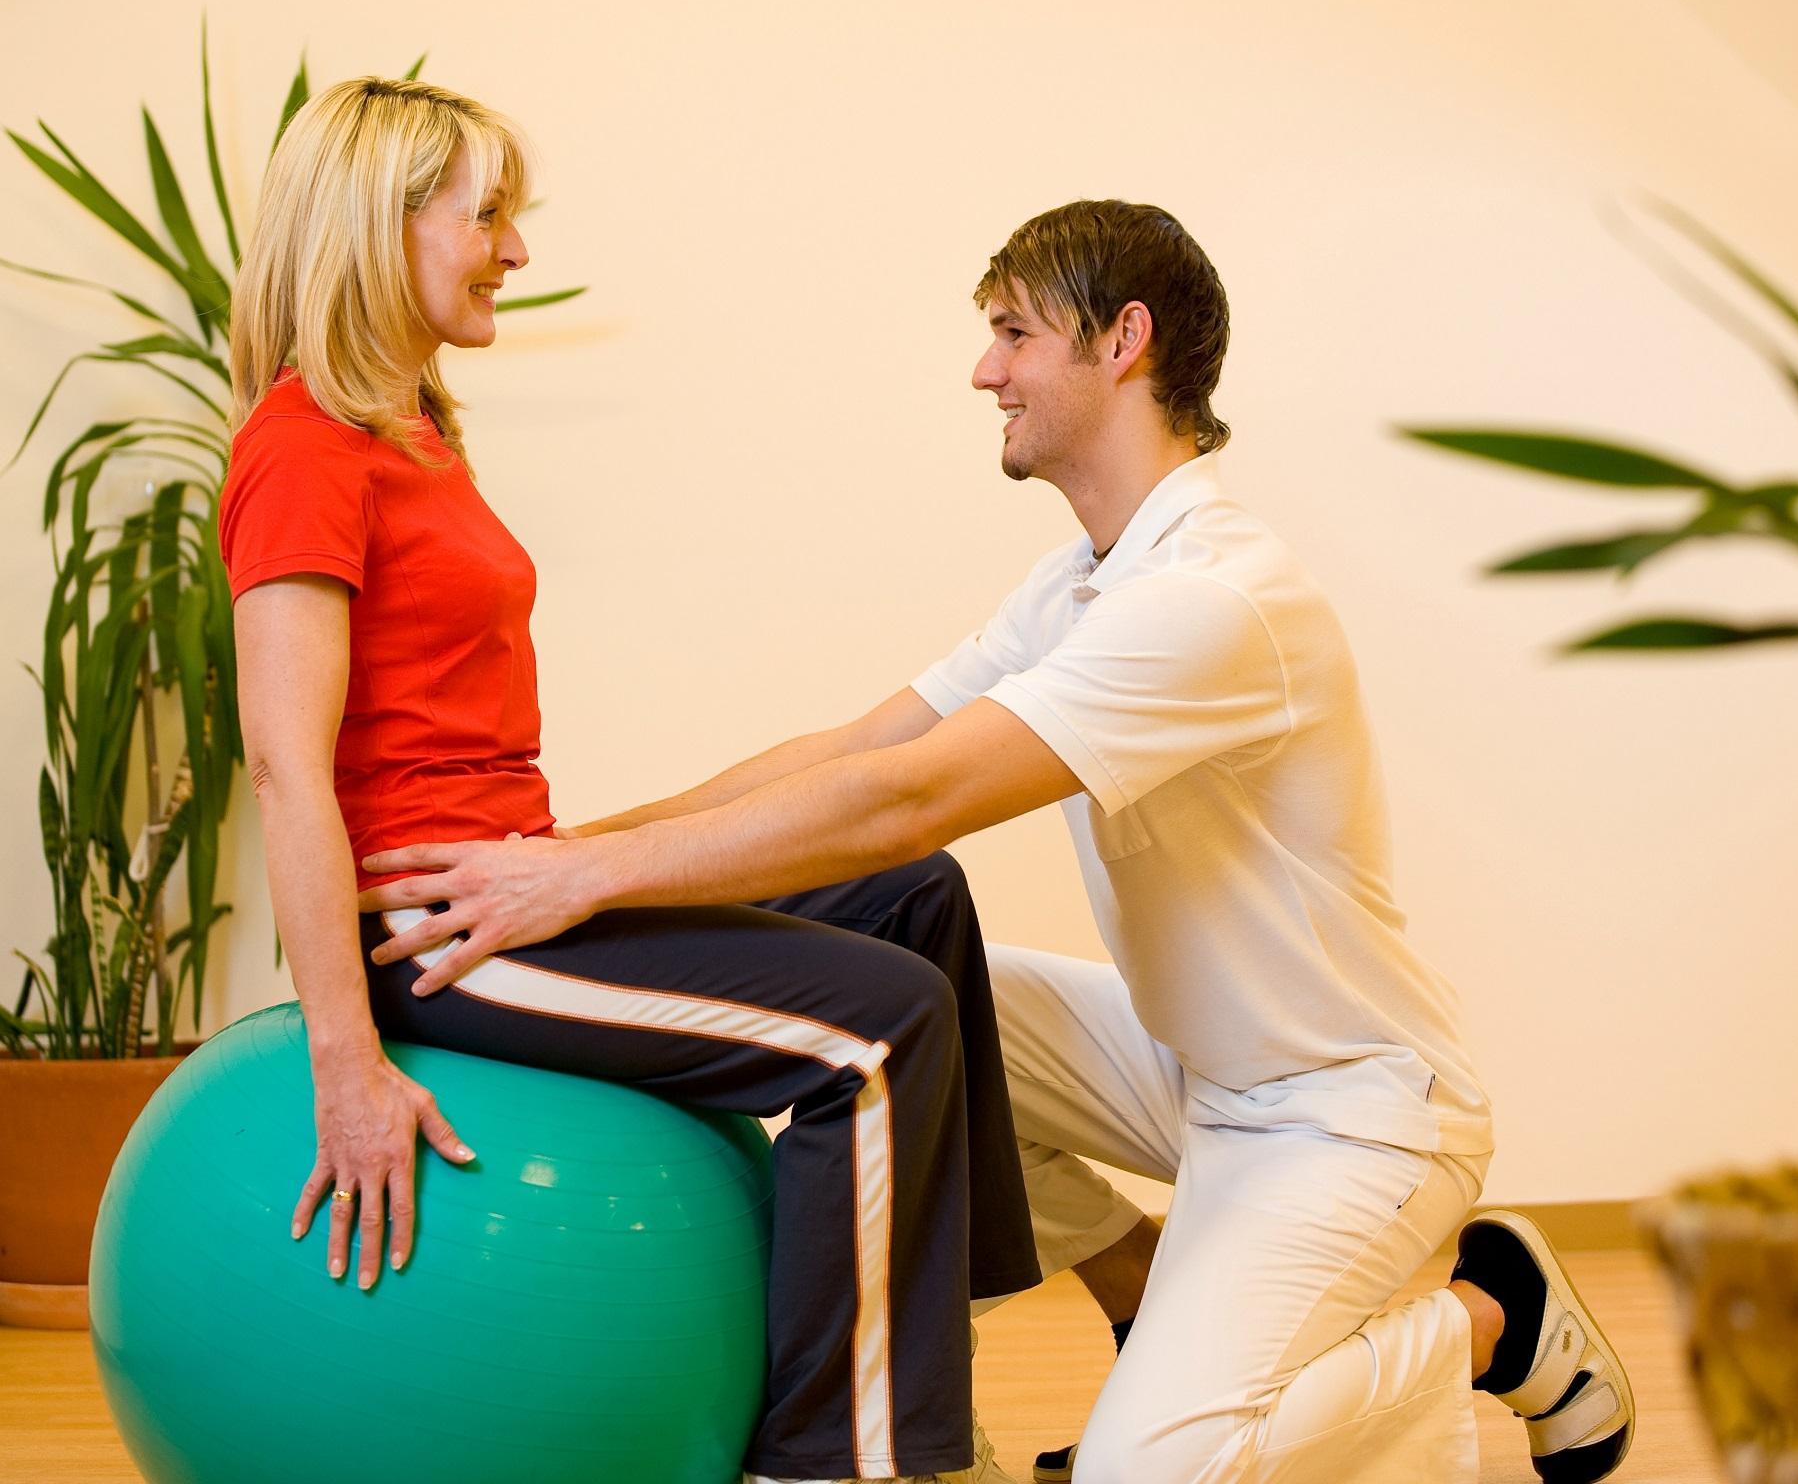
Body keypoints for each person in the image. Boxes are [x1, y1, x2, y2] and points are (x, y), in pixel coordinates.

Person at [362, 200, 1638, 1483]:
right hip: (1187, 1061)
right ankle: (1114, 1307)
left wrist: (583, 878)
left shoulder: (1211, 599)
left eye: (1014, 333)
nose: (986, 371)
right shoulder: (1083, 580)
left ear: (1122, 340)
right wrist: (559, 850)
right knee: (927, 1003)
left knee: (1147, 1472)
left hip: (1343, 1107)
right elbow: (858, 748)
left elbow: (906, 802)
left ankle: (1493, 1318)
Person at [221, 75, 1039, 1484]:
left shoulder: (415, 433)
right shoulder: (302, 448)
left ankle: (923, 1359)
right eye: (488, 217)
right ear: (378, 225)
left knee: (915, 898)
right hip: (435, 936)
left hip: (511, 884)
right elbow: (287, 769)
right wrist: (345, 1062)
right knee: (879, 1032)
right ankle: (826, 1464)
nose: (515, 250)